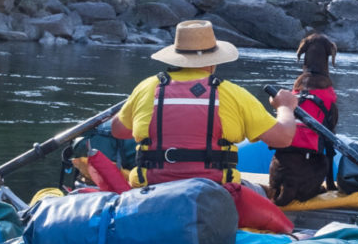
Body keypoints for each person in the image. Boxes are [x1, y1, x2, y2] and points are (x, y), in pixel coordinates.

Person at [111, 20, 299, 186]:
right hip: (215, 193)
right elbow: (282, 138)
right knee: (261, 192)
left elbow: (118, 130)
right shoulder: (233, 94)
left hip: (148, 190)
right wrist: (285, 107)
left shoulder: (146, 88)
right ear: (213, 61)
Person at [268, 34, 341, 206]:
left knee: (283, 157)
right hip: (303, 187)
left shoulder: (293, 96)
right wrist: (330, 184)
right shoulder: (326, 99)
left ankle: (276, 189)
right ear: (330, 56)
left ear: (303, 54)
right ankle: (316, 188)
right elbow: (330, 143)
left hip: (277, 179)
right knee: (322, 157)